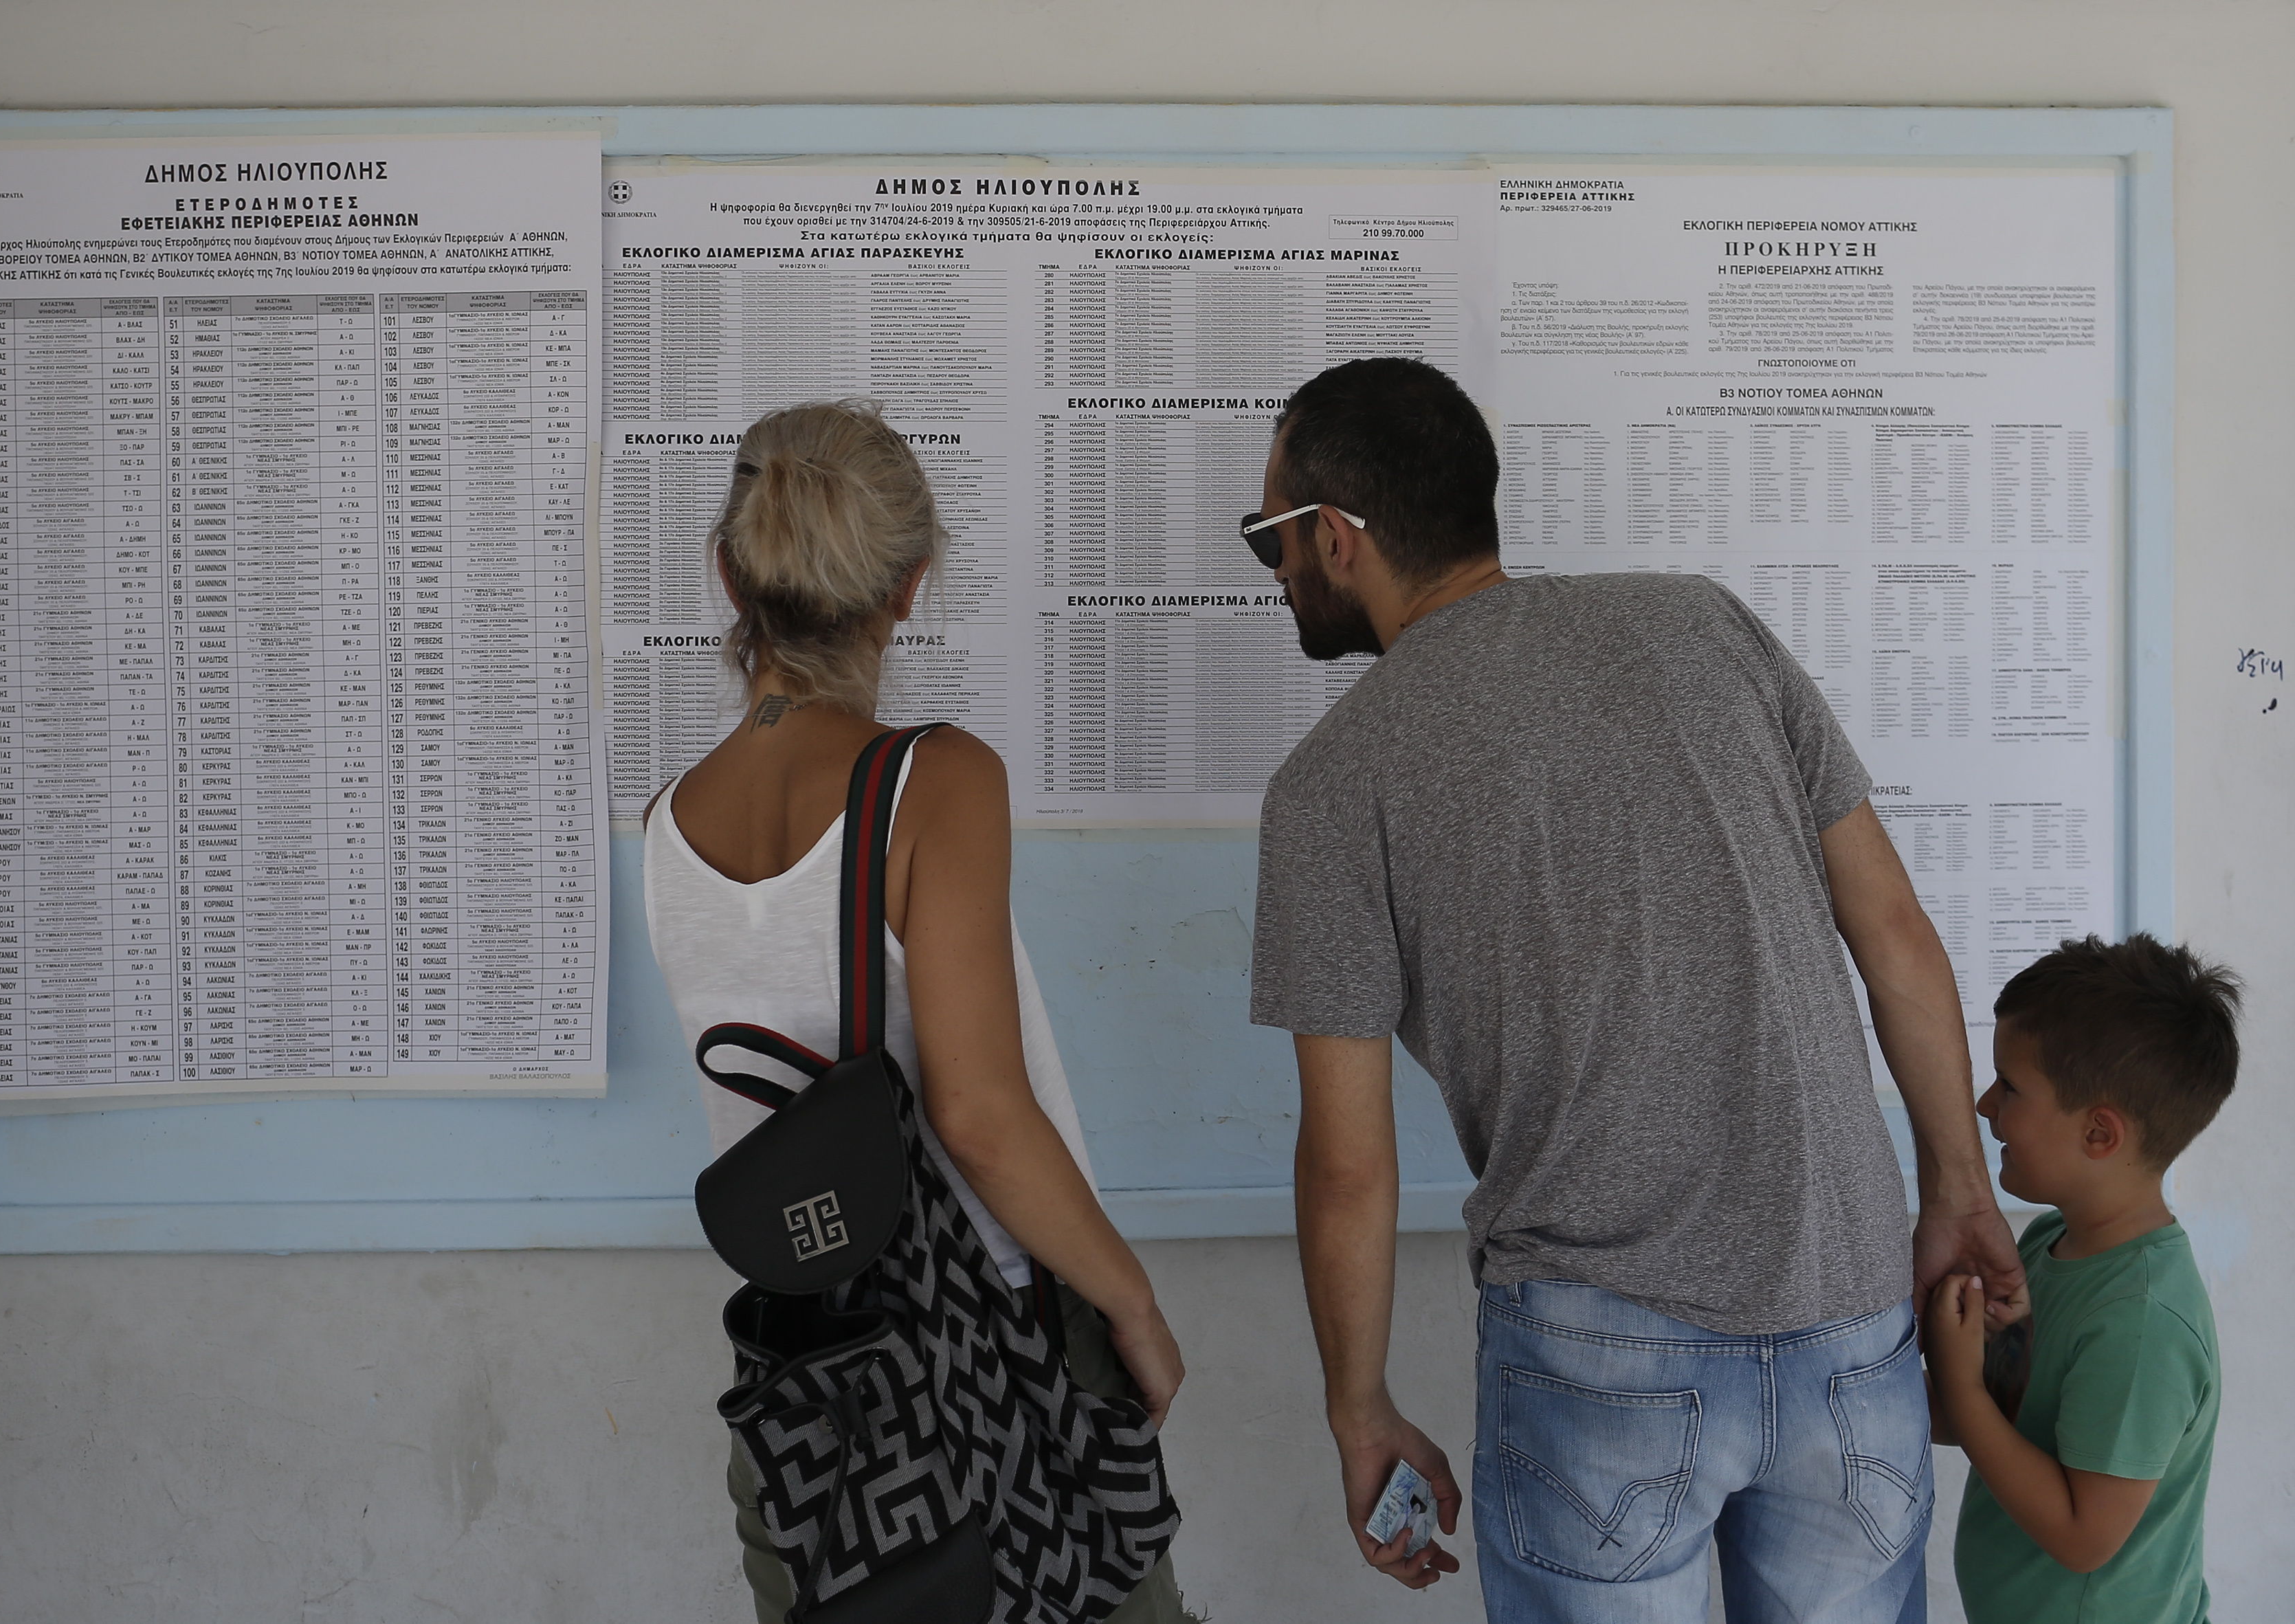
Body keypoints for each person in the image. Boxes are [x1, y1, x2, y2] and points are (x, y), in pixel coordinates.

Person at [1243, 357, 2025, 1623]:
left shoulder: (1332, 783)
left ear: (1336, 534)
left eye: (1267, 534)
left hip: (1594, 1348)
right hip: (1847, 1307)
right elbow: (1892, 932)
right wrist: (1958, 1190)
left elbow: (1346, 1162)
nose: (1270, 565)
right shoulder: (1706, 626)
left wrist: (1358, 1403)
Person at [643, 400, 1193, 1624]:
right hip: (990, 1347)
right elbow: (978, 1115)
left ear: (729, 574)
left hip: (806, 1389)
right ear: (909, 586)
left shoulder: (665, 823)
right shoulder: (933, 781)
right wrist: (1132, 1303)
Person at [1922, 934, 2235, 1623]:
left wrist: (1963, 1386)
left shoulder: (2142, 1320)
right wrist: (1957, 1358)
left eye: (2010, 1086)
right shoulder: (2047, 1241)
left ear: (2099, 1134)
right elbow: (2002, 1413)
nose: (1984, 1104)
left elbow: (2082, 1537)